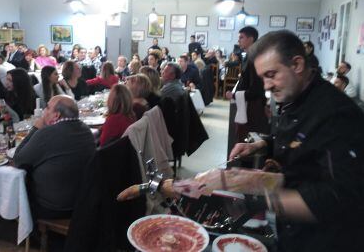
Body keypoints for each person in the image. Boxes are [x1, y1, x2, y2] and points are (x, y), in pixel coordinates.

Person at [118, 30, 364, 252]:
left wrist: (258, 195)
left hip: (324, 238)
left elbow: (341, 198)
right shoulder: (296, 96)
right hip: (290, 224)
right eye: (262, 77)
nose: (266, 85)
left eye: (271, 75)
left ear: (297, 64)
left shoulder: (336, 114)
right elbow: (300, 138)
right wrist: (262, 144)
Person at [14, 95, 95, 219]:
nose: (44, 111)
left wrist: (36, 128)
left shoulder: (46, 133)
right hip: (82, 200)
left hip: (54, 207)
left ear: (56, 115)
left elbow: (19, 159)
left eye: (47, 107)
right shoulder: (86, 130)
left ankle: (30, 233)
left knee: (22, 186)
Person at [226, 26, 269, 143]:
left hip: (252, 106)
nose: (238, 40)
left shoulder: (254, 58)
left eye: (241, 37)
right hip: (247, 103)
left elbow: (255, 90)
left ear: (251, 39)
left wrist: (233, 95)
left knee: (248, 139)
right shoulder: (248, 56)